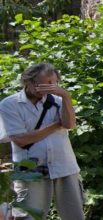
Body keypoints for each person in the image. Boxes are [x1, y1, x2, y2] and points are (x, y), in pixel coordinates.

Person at [0, 63, 84, 219]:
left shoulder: (58, 100)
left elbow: (69, 124)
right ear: (29, 81)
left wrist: (66, 96)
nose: (50, 87)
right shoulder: (10, 104)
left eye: (54, 83)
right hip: (30, 171)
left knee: (75, 216)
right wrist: (56, 125)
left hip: (64, 166)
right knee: (27, 216)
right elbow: (21, 140)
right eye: (46, 83)